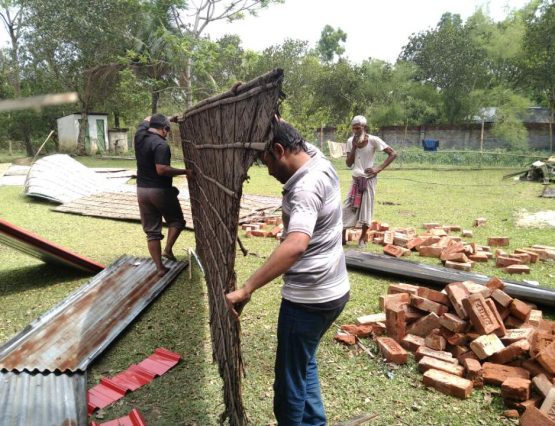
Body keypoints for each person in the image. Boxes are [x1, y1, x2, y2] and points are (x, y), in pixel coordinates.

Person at [226, 119, 350, 425]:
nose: (268, 170)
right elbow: (292, 135)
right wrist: (266, 115)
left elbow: (295, 245)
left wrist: (247, 288)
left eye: (266, 161)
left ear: (280, 150)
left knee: (288, 384)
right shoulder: (318, 160)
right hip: (334, 291)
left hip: (308, 301)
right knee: (303, 364)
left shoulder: (305, 188)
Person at [134, 113, 193, 276]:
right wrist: (185, 172)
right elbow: (162, 170)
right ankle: (167, 249)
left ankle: (160, 268)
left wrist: (169, 117)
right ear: (165, 129)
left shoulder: (140, 136)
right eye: (168, 130)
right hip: (159, 190)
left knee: (152, 232)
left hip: (142, 191)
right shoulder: (161, 145)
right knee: (177, 221)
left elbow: (147, 118)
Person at [342, 115, 397, 247]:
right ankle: (342, 236)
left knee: (366, 208)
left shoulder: (373, 140)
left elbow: (393, 153)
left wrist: (378, 168)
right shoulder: (350, 141)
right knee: (348, 207)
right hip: (356, 180)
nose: (355, 131)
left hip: (368, 180)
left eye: (358, 128)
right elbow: (349, 163)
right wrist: (354, 147)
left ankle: (362, 238)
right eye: (353, 128)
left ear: (364, 127)